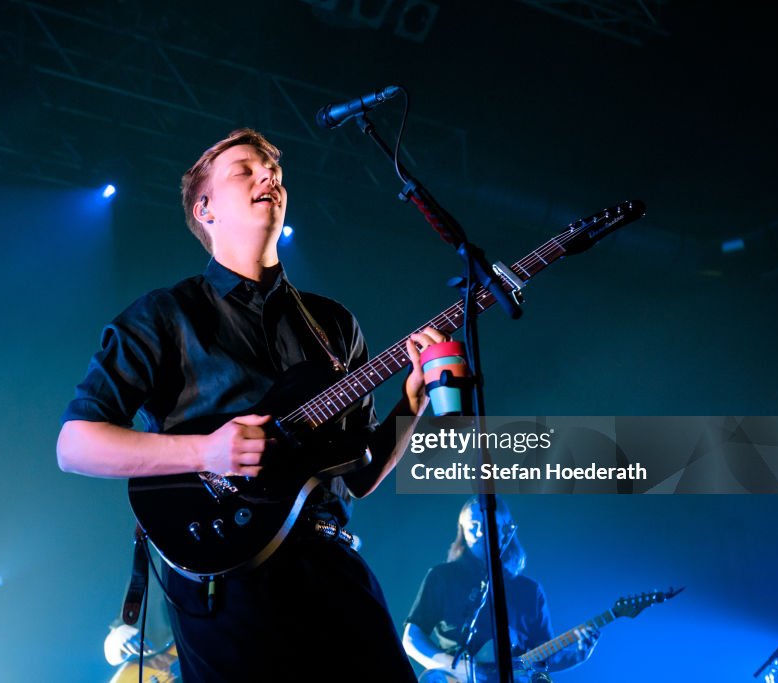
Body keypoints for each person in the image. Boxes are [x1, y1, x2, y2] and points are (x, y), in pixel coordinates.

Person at [57, 128, 445, 682]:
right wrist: (207, 451)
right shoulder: (165, 315)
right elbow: (75, 445)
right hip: (226, 575)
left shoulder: (334, 324)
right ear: (205, 207)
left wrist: (412, 405)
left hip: (332, 565)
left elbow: (357, 476)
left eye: (276, 172)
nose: (271, 178)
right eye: (247, 170)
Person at [403, 497, 598, 682]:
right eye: (473, 526)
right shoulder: (442, 577)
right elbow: (411, 640)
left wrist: (577, 657)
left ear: (506, 530)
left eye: (488, 525)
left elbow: (541, 660)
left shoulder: (530, 591)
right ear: (462, 530)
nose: (480, 533)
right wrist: (457, 667)